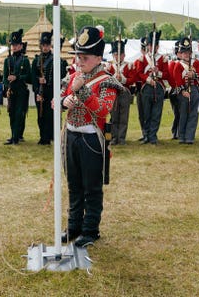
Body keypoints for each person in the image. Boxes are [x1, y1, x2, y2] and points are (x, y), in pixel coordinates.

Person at [60, 26, 123, 247]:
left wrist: (83, 91)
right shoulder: (73, 76)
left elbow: (103, 110)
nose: (79, 61)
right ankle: (73, 226)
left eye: (84, 57)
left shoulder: (106, 80)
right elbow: (57, 99)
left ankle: (90, 229)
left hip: (91, 138)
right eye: (78, 56)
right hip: (70, 136)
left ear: (98, 58)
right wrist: (63, 102)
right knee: (73, 184)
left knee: (92, 187)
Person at [133, 30, 172, 145]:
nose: (152, 47)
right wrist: (148, 79)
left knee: (156, 113)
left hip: (158, 87)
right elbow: (139, 73)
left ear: (157, 47)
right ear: (148, 46)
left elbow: (166, 74)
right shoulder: (142, 59)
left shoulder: (163, 59)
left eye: (154, 46)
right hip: (147, 87)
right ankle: (146, 135)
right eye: (150, 45)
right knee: (146, 113)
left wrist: (158, 72)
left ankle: (153, 136)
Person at [31, 30, 67, 145]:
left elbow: (61, 76)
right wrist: (38, 85)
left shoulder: (56, 60)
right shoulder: (36, 60)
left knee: (50, 115)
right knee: (40, 116)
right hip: (40, 92)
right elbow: (32, 77)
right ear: (41, 46)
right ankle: (43, 137)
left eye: (47, 45)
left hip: (51, 92)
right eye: (43, 45)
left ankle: (51, 136)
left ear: (50, 46)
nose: (45, 47)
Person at [171, 37, 199, 144]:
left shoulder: (197, 63)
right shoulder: (178, 65)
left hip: (194, 90)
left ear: (191, 53)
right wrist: (182, 91)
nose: (186, 54)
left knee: (193, 114)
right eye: (183, 52)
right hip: (183, 91)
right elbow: (177, 80)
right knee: (183, 114)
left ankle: (190, 137)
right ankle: (181, 136)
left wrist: (194, 74)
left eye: (188, 52)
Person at [104, 39, 135, 145]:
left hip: (124, 92)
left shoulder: (128, 66)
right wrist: (114, 77)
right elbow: (106, 79)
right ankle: (113, 137)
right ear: (113, 55)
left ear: (124, 55)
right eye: (116, 54)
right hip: (113, 93)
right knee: (114, 116)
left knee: (123, 117)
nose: (118, 57)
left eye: (120, 54)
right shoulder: (109, 67)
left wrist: (122, 78)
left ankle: (121, 138)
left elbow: (132, 79)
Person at [3, 29, 31, 145]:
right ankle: (13, 134)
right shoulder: (7, 60)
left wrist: (17, 77)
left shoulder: (25, 60)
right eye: (13, 45)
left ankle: (16, 136)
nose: (14, 47)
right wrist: (6, 86)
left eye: (16, 45)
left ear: (21, 46)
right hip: (11, 90)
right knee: (12, 113)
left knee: (19, 113)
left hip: (21, 90)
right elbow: (4, 76)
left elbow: (28, 76)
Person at [168, 41, 181, 140]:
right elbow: (172, 78)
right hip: (175, 90)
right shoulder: (173, 63)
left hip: (183, 89)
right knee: (177, 113)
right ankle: (175, 131)